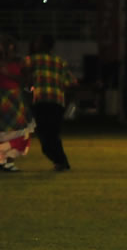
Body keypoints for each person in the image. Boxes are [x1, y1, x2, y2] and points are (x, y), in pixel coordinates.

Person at [23, 35, 77, 171]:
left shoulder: (31, 60)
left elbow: (25, 78)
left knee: (44, 134)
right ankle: (61, 161)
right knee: (53, 133)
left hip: (41, 100)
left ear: (42, 45)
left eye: (37, 42)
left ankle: (60, 161)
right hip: (57, 101)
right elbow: (71, 82)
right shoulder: (59, 61)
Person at [0, 35, 34, 172]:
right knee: (3, 132)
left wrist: (8, 74)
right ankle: (3, 161)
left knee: (17, 133)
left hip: (14, 97)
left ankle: (8, 161)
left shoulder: (21, 61)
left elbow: (27, 81)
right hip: (2, 97)